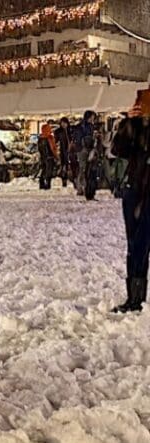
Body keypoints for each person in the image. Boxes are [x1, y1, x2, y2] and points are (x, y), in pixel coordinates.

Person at [110, 91, 150, 313]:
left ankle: (136, 299)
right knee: (134, 244)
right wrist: (129, 121)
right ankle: (134, 298)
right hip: (134, 188)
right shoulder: (137, 124)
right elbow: (118, 150)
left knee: (141, 242)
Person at [73, 110, 97, 195]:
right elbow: (78, 138)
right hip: (82, 149)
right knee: (82, 168)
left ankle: (85, 186)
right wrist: (82, 146)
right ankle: (80, 187)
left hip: (88, 148)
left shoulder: (90, 126)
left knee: (87, 169)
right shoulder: (81, 127)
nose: (92, 119)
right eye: (92, 117)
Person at [38, 124, 58, 190]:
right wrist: (56, 156)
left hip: (43, 157)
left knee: (44, 170)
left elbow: (39, 149)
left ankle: (41, 183)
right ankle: (48, 184)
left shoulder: (40, 138)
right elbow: (53, 148)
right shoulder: (50, 138)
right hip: (49, 157)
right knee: (49, 171)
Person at [54, 117, 73, 187]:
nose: (63, 124)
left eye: (65, 123)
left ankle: (70, 179)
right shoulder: (59, 131)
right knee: (63, 166)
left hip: (70, 151)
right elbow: (56, 141)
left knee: (69, 166)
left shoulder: (70, 130)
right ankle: (64, 180)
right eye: (62, 123)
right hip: (62, 151)